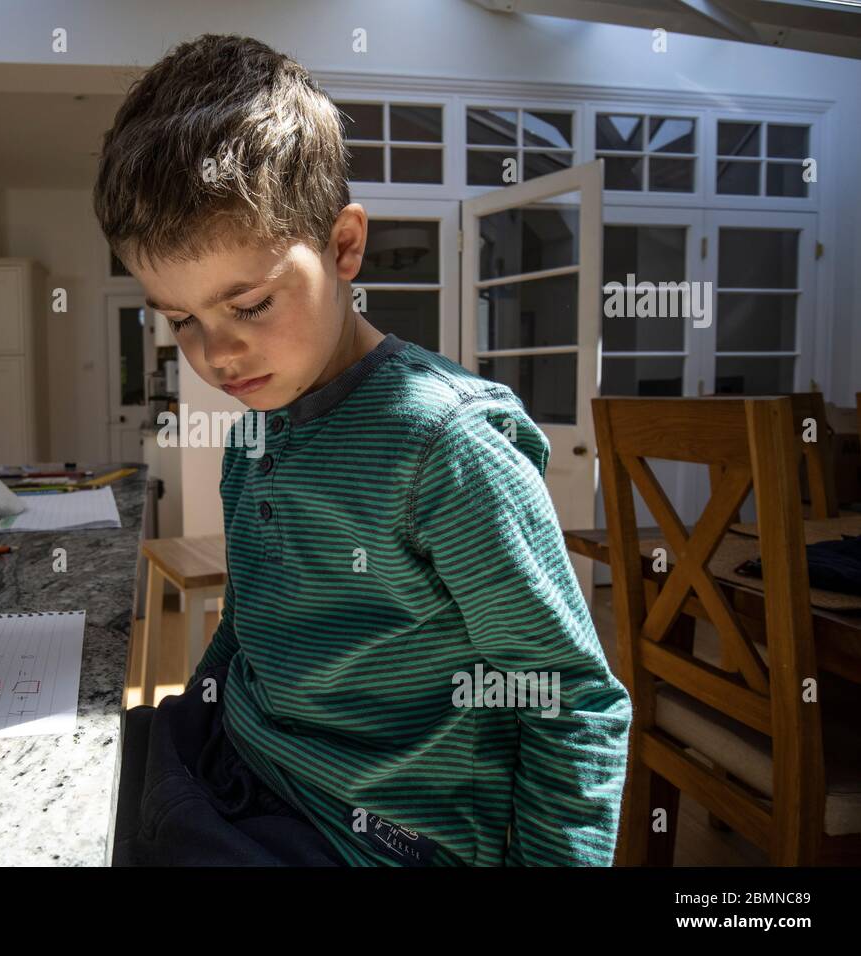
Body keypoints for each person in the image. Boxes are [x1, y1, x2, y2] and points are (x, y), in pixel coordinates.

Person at [98, 33, 632, 866]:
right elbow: (251, 626)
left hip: (372, 840)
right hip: (244, 770)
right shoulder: (255, 437)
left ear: (344, 246)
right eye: (182, 320)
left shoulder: (446, 449)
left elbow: (573, 699)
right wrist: (204, 705)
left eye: (248, 304)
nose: (216, 355)